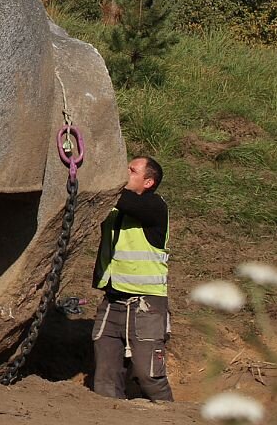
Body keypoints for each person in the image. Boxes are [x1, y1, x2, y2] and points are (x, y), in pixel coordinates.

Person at [92, 155, 174, 402]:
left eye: (131, 170)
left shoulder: (154, 206)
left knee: (149, 375)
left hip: (146, 306)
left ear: (148, 182)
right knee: (105, 377)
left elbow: (121, 198)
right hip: (113, 300)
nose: (123, 172)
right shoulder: (116, 210)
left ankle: (170, 417)